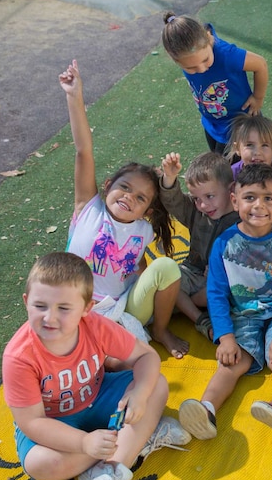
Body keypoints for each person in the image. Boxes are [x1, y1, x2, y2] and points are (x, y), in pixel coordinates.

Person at [3, 252, 190, 480]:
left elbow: (146, 356)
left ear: (87, 308)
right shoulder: (18, 356)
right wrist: (82, 443)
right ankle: (135, 440)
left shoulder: (96, 325)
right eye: (40, 306)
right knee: (39, 464)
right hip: (53, 421)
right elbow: (31, 422)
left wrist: (139, 392)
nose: (50, 318)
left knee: (155, 385)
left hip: (98, 394)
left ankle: (107, 472)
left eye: (64, 308)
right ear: (26, 302)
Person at [60, 61, 186, 358]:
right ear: (107, 185)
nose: (130, 197)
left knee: (166, 266)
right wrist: (74, 95)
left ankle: (159, 330)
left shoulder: (142, 230)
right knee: (112, 362)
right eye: (125, 188)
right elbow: (83, 150)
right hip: (76, 309)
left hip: (121, 309)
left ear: (146, 211)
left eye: (141, 198)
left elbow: (138, 272)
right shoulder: (88, 208)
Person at [179, 164, 272, 439]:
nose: (258, 206)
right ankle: (206, 410)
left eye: (268, 199)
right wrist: (226, 337)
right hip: (244, 313)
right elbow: (216, 293)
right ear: (235, 200)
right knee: (232, 362)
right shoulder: (224, 244)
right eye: (250, 197)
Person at [161, 12, 270, 154]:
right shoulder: (187, 53)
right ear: (174, 59)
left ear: (208, 38)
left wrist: (258, 97)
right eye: (190, 68)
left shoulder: (227, 55)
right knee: (217, 159)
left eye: (205, 60)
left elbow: (260, 64)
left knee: (228, 169)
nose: (201, 69)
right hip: (212, 122)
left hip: (241, 123)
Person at [160, 151, 239, 340]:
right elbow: (174, 200)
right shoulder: (195, 213)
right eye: (197, 198)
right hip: (193, 272)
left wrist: (221, 268)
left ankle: (190, 304)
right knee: (170, 281)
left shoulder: (242, 218)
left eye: (210, 196)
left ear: (231, 190)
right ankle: (201, 319)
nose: (203, 205)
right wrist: (169, 178)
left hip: (222, 279)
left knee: (236, 289)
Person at [227, 113, 272, 228]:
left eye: (265, 145)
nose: (257, 152)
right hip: (246, 222)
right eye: (249, 145)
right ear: (237, 149)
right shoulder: (232, 173)